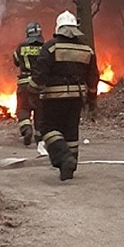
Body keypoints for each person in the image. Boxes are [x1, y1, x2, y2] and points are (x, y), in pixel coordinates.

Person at [29, 11, 99, 181]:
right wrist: (91, 99)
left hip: (53, 98)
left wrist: (33, 92)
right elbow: (93, 78)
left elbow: (40, 72)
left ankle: (63, 157)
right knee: (70, 131)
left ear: (58, 28)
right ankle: (69, 166)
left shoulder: (51, 46)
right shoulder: (86, 49)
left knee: (48, 128)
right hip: (76, 99)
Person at [13, 22, 46, 153]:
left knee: (23, 108)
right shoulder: (45, 47)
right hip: (39, 84)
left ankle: (26, 129)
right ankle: (39, 136)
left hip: (24, 83)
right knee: (40, 110)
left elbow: (16, 61)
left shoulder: (20, 47)